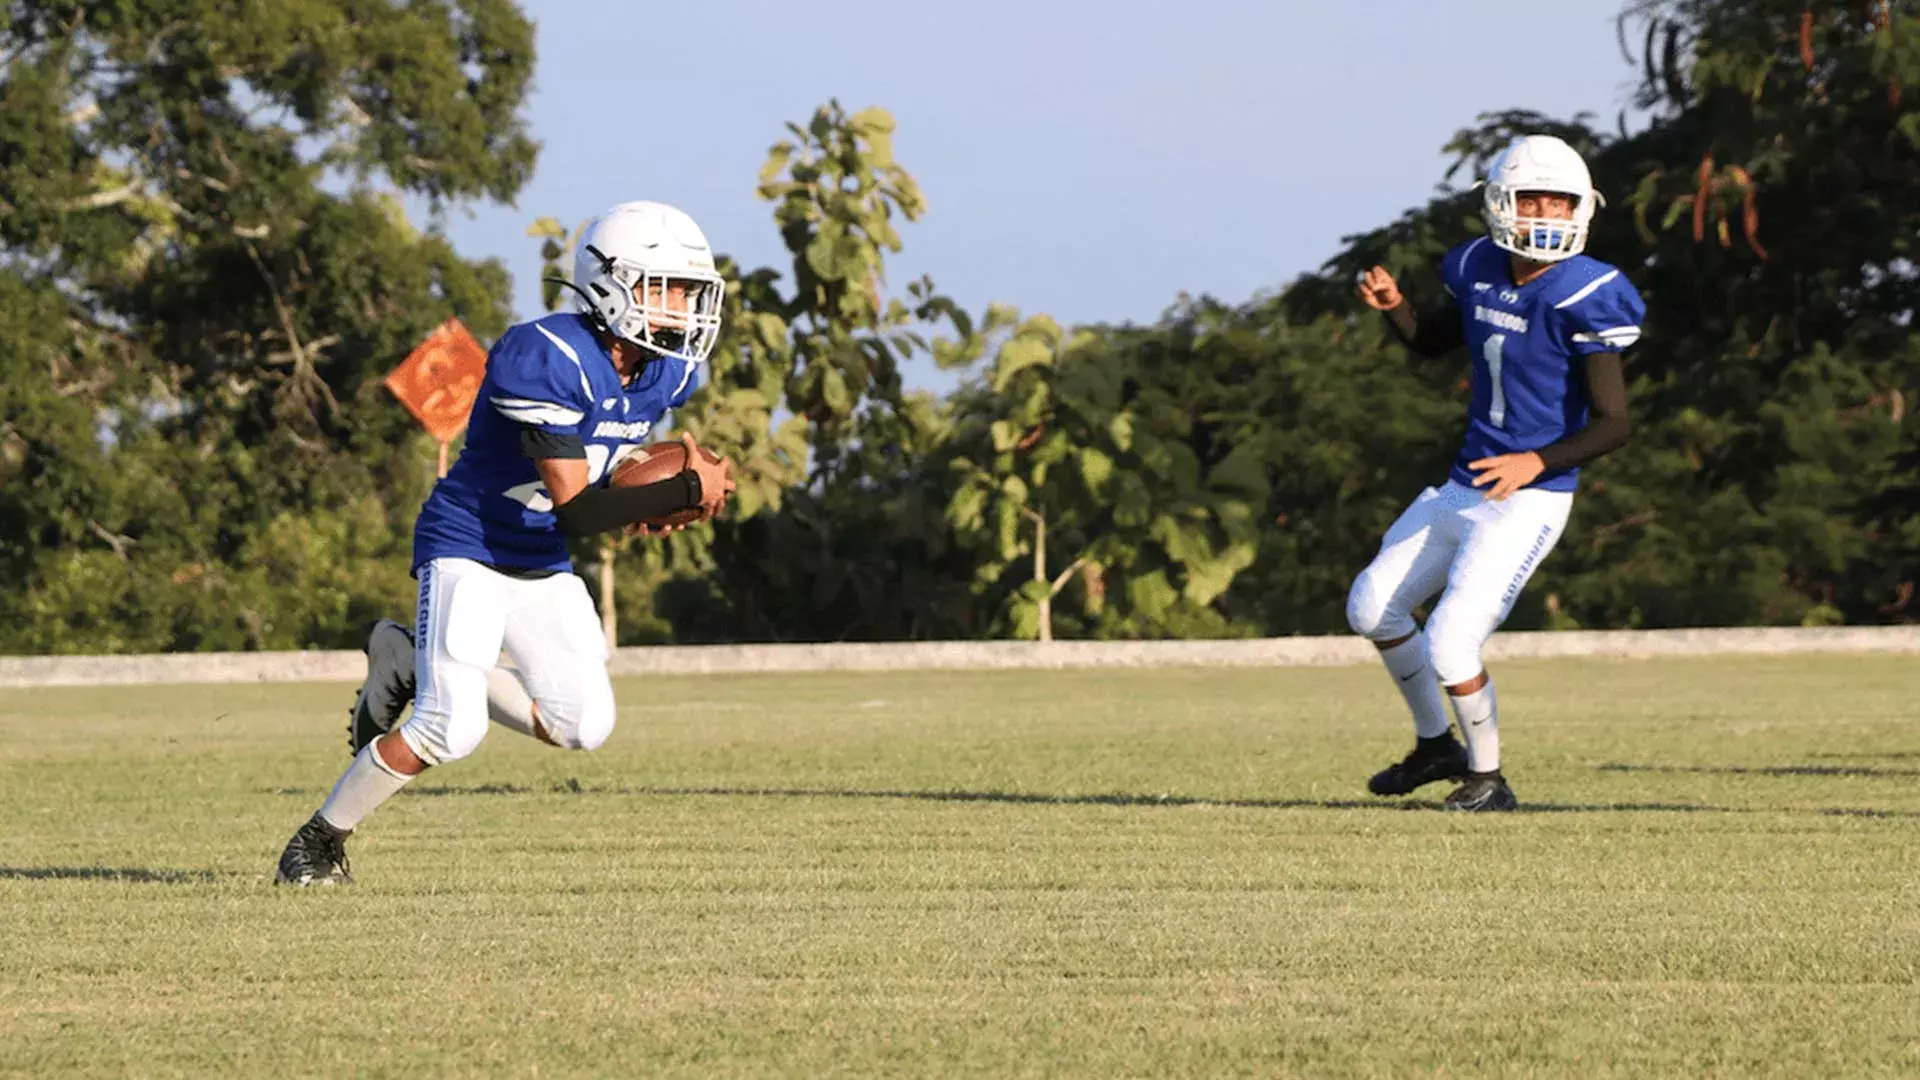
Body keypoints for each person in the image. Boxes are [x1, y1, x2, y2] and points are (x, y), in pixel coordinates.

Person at [274, 200, 736, 885]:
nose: (680, 307)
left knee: (584, 724)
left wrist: (649, 490)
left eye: (688, 292)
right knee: (448, 728)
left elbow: (606, 467)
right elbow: (578, 509)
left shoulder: (665, 371)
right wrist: (676, 493)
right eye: (664, 287)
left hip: (539, 559)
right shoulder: (544, 355)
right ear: (611, 283)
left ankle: (407, 658)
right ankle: (316, 843)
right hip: (471, 545)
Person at [1348, 134, 1645, 812]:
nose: (1545, 213)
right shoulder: (1478, 264)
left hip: (1530, 497)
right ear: (1501, 201)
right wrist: (1397, 306)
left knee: (1453, 642)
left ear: (1583, 209)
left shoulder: (1590, 292)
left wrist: (1536, 460)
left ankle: (1489, 779)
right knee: (1371, 606)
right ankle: (1435, 747)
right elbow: (1431, 341)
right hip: (1465, 484)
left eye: (1559, 201)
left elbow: (1615, 423)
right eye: (1533, 198)